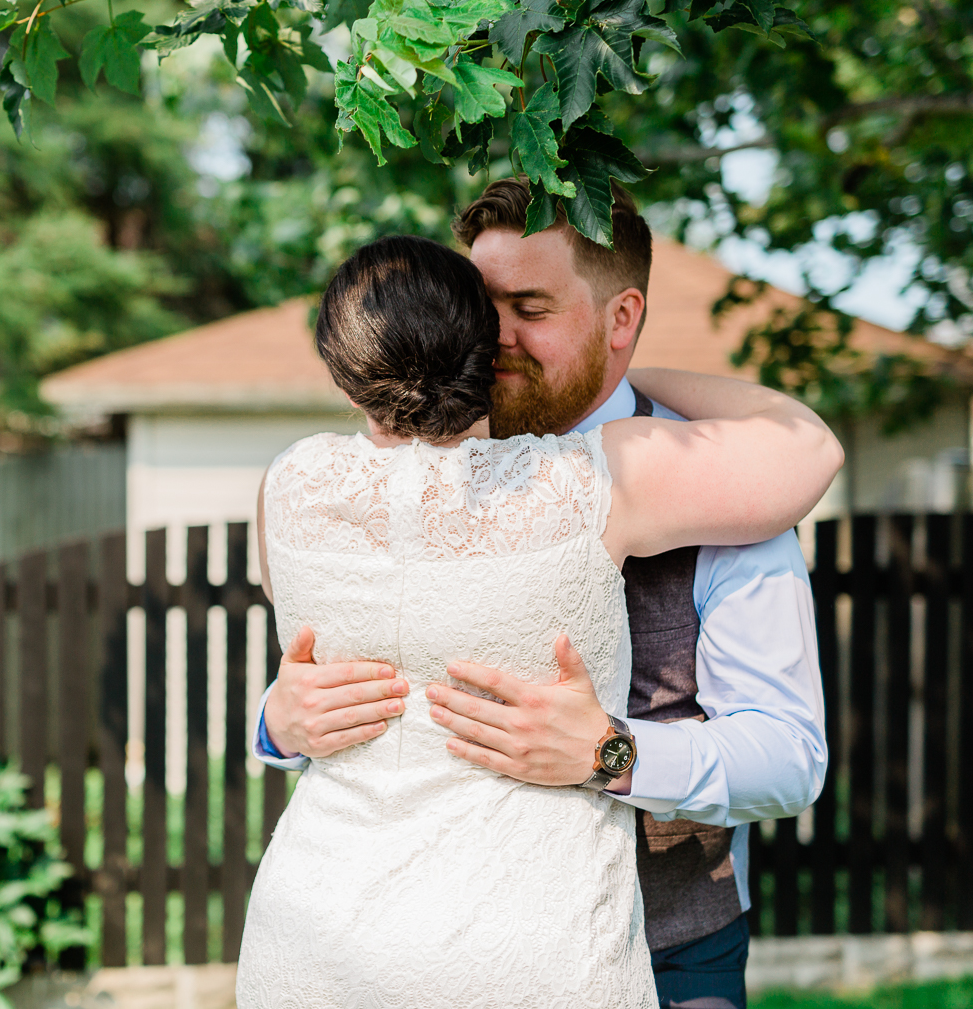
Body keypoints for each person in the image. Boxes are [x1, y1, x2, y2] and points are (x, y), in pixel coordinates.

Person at [253, 181, 828, 1009]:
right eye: (481, 306)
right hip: (405, 956)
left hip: (665, 951)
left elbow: (790, 758)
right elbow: (330, 689)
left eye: (531, 308)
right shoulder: (371, 488)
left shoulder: (731, 496)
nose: (494, 339)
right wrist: (277, 724)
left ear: (620, 319)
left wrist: (611, 753)